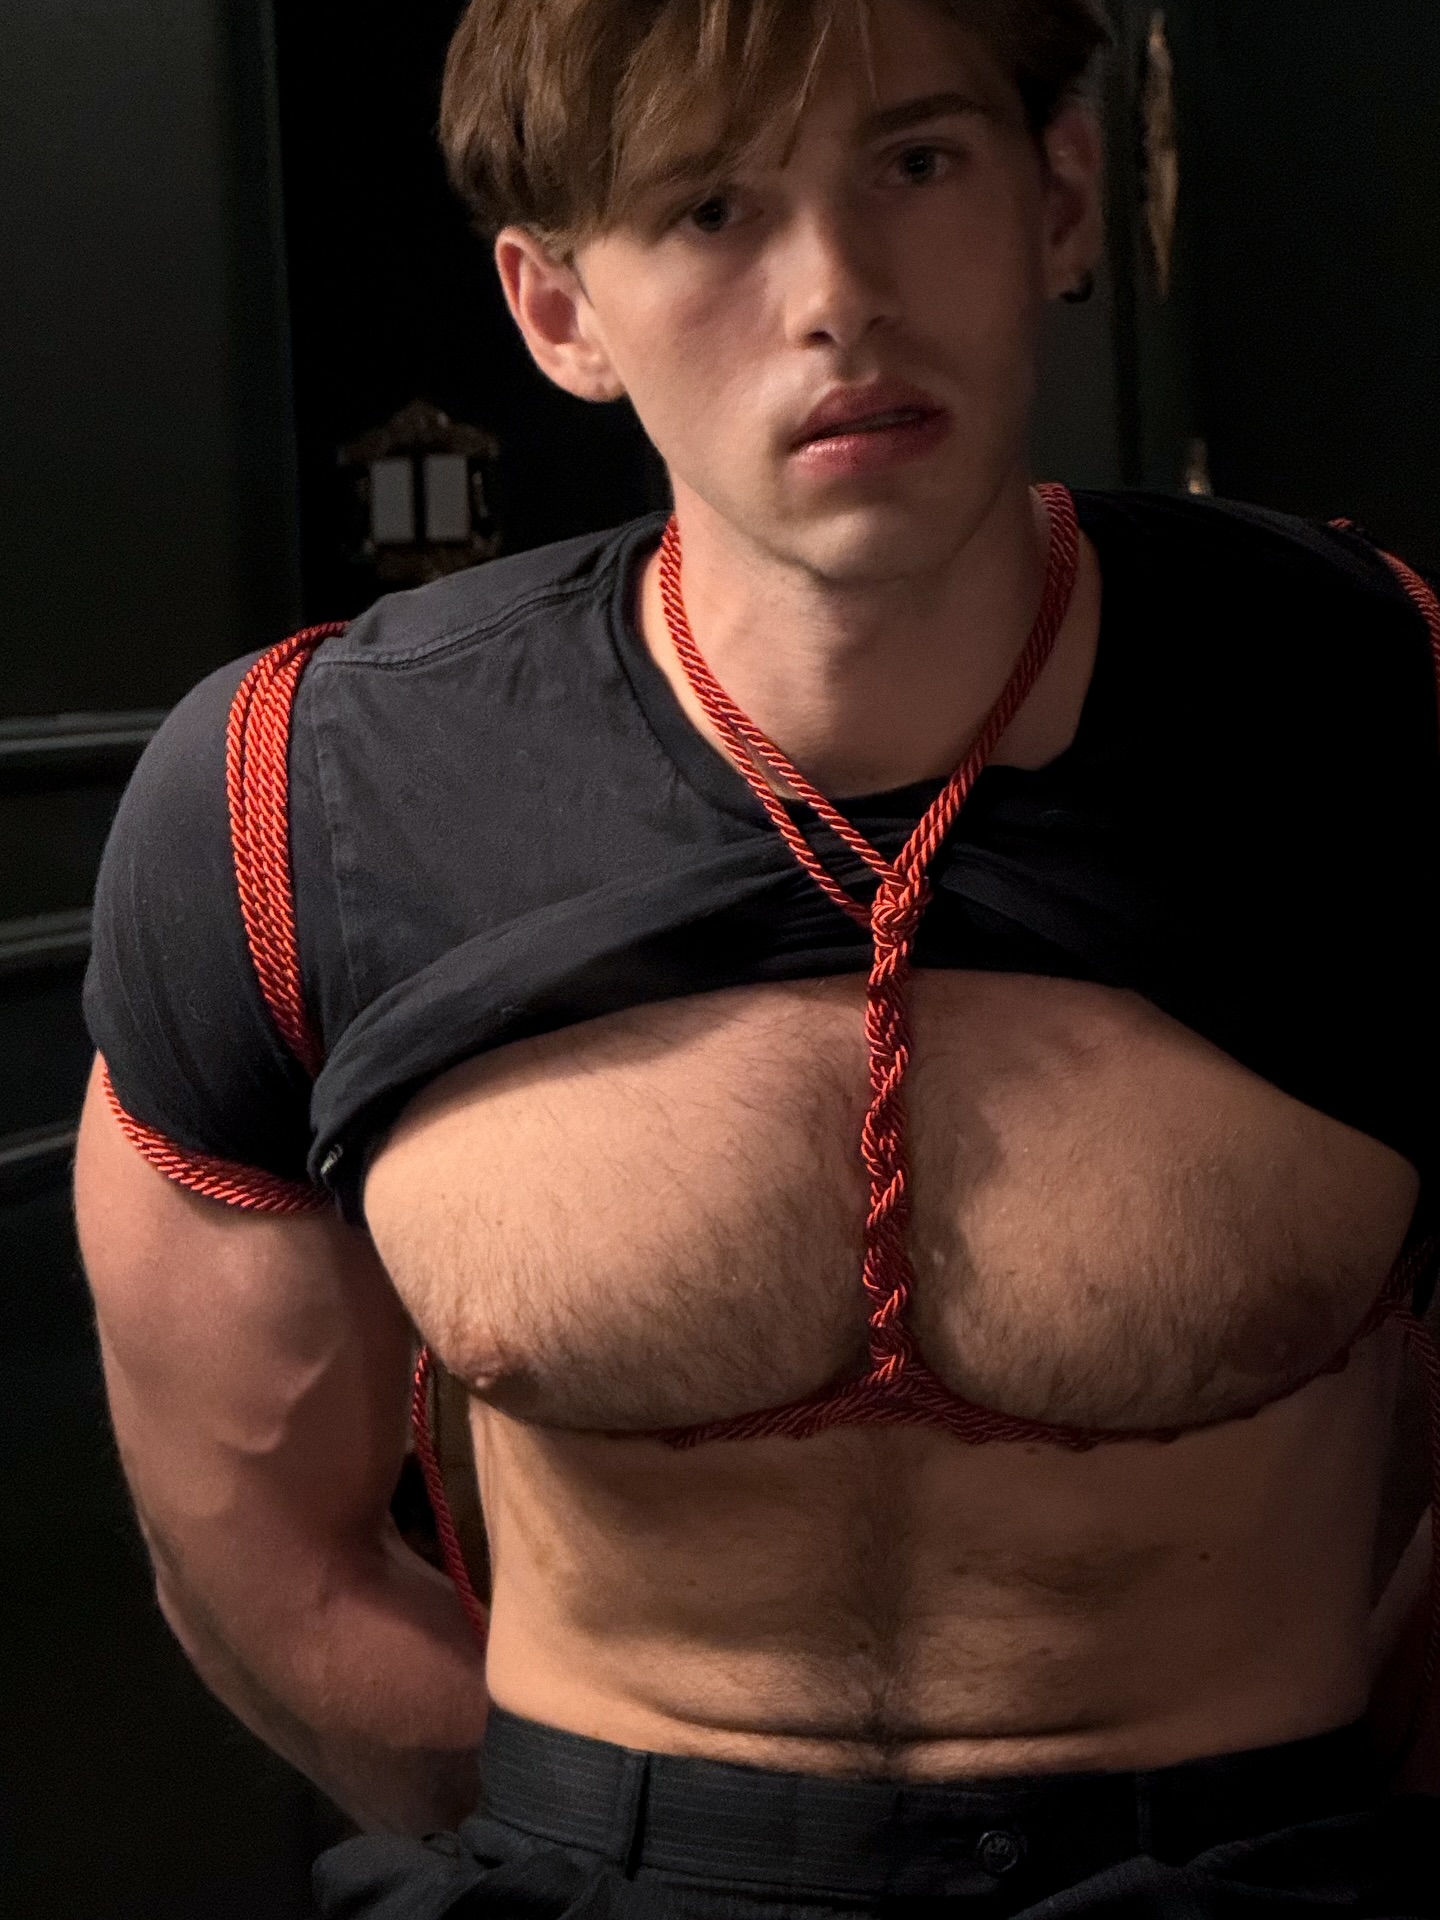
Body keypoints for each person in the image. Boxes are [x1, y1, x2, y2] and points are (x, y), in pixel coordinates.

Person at [75, 0, 1440, 1912]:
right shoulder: (297, 795)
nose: (837, 298)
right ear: (561, 310)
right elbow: (255, 1558)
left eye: (918, 163)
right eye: (709, 209)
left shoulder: (1388, 711)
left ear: (1058, 200)